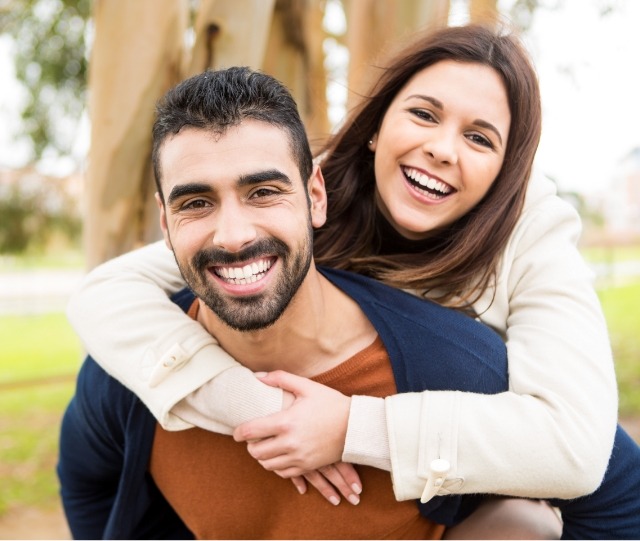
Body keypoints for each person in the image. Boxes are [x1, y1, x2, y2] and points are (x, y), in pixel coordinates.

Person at [64, 25, 640, 537]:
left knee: (526, 523)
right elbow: (108, 295)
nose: (441, 148)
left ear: (508, 171)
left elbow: (581, 450)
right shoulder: (300, 194)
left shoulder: (530, 241)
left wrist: (352, 428)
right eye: (424, 114)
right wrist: (258, 408)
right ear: (376, 125)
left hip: (448, 487)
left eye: (480, 137)